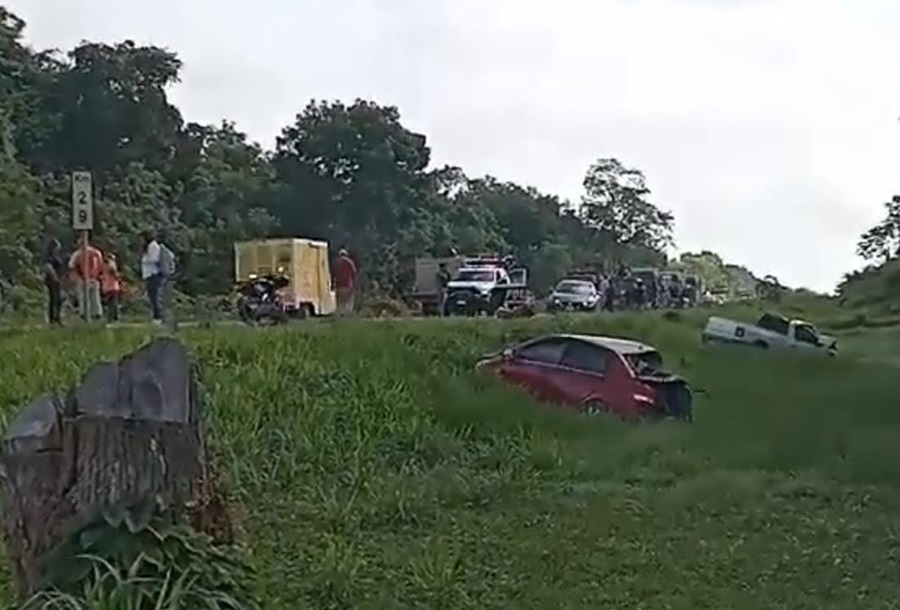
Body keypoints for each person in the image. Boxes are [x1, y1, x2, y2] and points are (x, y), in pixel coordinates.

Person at [67, 235, 104, 321]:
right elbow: (100, 265)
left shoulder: (78, 254)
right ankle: (96, 313)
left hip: (82, 278)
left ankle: (84, 313)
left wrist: (75, 277)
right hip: (94, 278)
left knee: (83, 297)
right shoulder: (96, 252)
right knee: (94, 296)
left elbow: (71, 266)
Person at [140, 230, 164, 324]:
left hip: (154, 274)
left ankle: (158, 316)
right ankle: (156, 314)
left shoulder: (153, 246)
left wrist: (145, 260)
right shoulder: (148, 247)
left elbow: (155, 259)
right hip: (149, 274)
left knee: (155, 296)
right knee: (152, 296)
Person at [43, 238, 65, 325]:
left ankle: (56, 318)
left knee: (57, 300)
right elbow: (48, 267)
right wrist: (55, 277)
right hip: (52, 280)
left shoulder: (55, 256)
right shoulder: (50, 257)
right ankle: (53, 318)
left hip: (57, 279)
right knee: (54, 299)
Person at [333, 247, 358, 316]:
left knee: (339, 301)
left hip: (338, 285)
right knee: (348, 300)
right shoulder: (350, 262)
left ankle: (340, 313)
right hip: (348, 285)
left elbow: (333, 274)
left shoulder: (336, 263)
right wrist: (355, 284)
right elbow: (354, 273)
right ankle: (347, 313)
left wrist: (332, 284)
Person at [101, 253, 123, 323]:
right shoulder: (111, 265)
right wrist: (119, 278)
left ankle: (111, 318)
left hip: (106, 287)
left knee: (110, 304)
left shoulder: (103, 266)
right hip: (113, 286)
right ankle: (114, 318)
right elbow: (115, 275)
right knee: (113, 303)